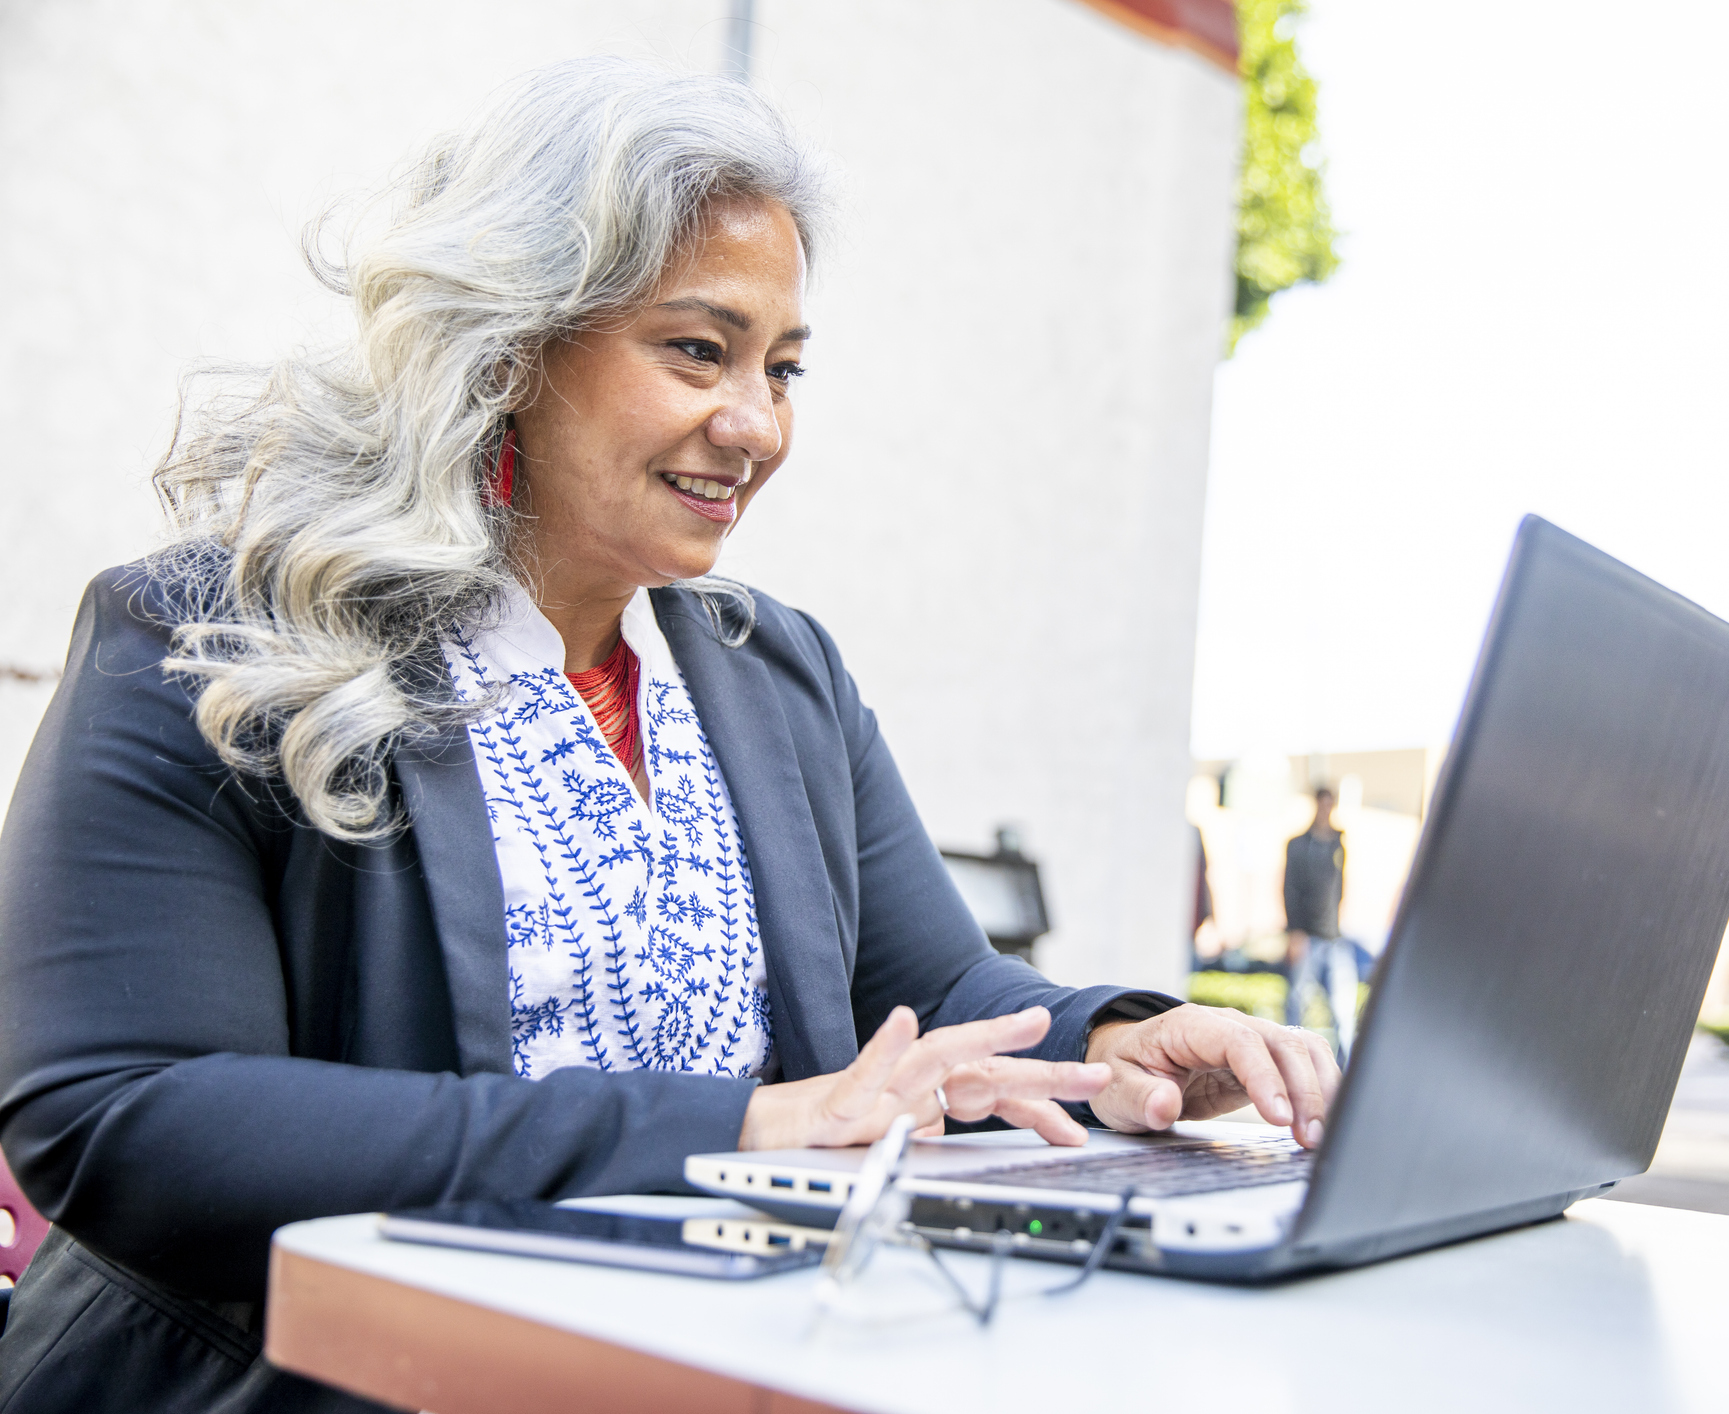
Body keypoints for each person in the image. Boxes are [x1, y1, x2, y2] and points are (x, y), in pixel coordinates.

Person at [0, 60, 1340, 1413]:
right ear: (513, 346)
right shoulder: (208, 639)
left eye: (784, 368)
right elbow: (130, 1119)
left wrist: (1115, 1036)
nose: (756, 425)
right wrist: (745, 1130)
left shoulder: (779, 672)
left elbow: (929, 994)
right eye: (698, 350)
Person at [1282, 787, 1347, 1028]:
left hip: (1333, 936)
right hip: (1306, 937)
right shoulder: (1299, 845)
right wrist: (1294, 931)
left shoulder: (1338, 845)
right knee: (1297, 1001)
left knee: (1341, 1007)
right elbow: (1290, 888)